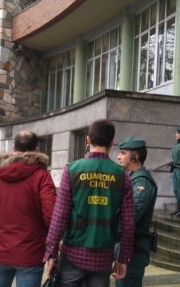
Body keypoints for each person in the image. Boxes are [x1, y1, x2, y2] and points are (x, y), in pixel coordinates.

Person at [43, 119, 135, 287]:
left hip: (72, 254)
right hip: (103, 258)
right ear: (112, 142)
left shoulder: (72, 170)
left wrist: (51, 253)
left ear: (88, 140)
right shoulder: (123, 176)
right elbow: (128, 224)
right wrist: (123, 258)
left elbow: (60, 216)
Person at [0, 130, 57, 287]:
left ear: (13, 149)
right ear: (36, 149)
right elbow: (52, 216)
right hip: (30, 254)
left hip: (0, 254)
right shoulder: (42, 175)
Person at [115, 136, 157, 287]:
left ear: (135, 157)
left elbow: (130, 217)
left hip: (133, 251)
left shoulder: (141, 182)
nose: (118, 156)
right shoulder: (131, 178)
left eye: (123, 152)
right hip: (126, 249)